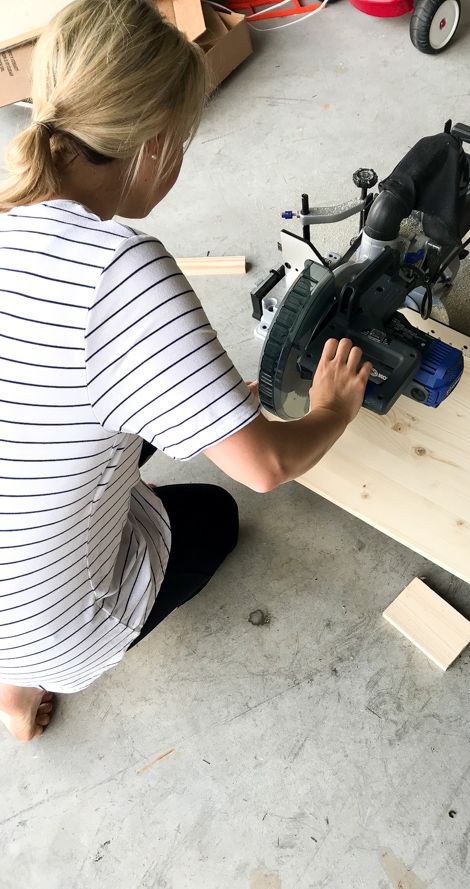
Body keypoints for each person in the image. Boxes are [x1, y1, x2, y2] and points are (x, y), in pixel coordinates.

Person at [0, 0, 371, 742]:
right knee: (213, 514)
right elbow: (264, 467)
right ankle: (25, 674)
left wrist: (192, 402)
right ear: (157, 145)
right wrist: (330, 409)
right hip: (52, 633)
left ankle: (10, 687)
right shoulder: (121, 272)